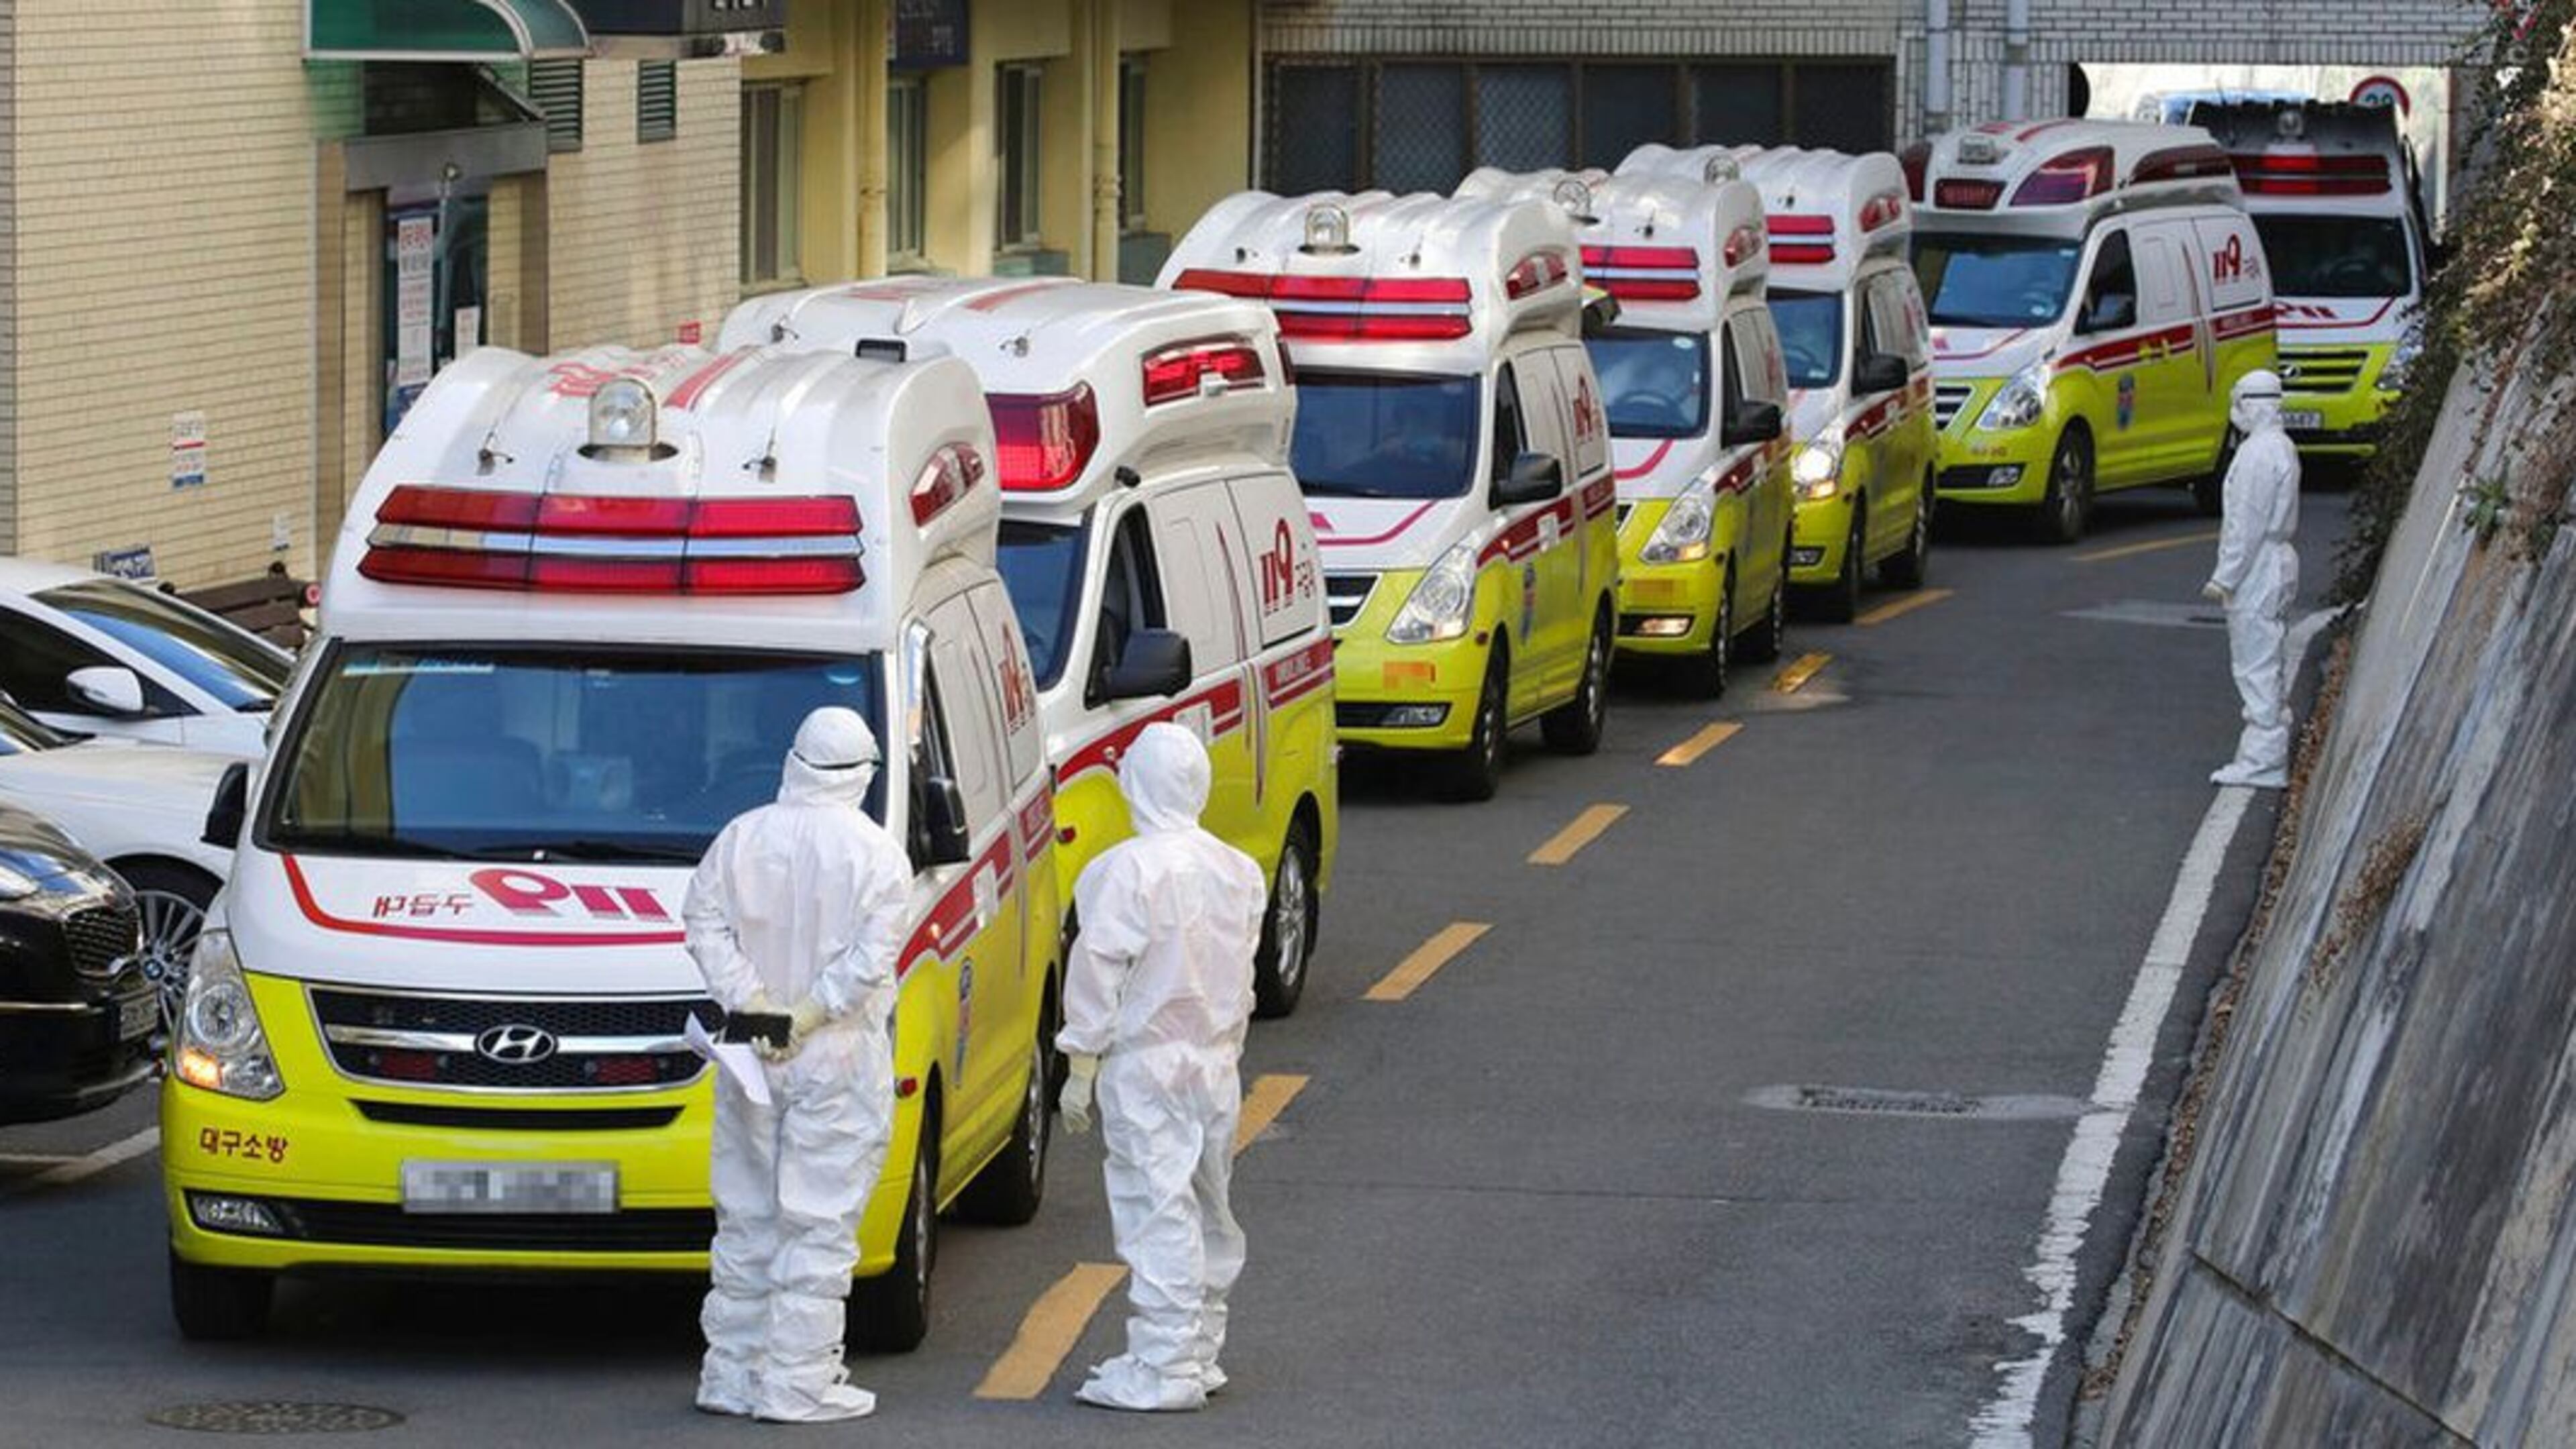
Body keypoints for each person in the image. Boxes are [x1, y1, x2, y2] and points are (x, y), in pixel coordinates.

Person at [683, 706, 911, 1423]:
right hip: (835, 1053)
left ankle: (730, 1371)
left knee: (747, 1214)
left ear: (794, 760)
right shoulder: (878, 855)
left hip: (750, 1052)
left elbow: (702, 924)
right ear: (864, 773)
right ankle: (797, 1382)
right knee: (816, 1223)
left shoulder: (741, 837)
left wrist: (752, 1000)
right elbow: (871, 961)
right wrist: (810, 1012)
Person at [1056, 722, 1267, 1411]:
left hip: (1146, 1065)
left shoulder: (1123, 870)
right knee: (1208, 1206)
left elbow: (1097, 973)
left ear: (1135, 783)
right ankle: (1200, 1349)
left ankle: (1165, 1363)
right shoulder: (1240, 871)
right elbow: (1243, 972)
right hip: (1216, 1063)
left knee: (1157, 1210)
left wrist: (1080, 1062)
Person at [2203, 368, 2301, 789]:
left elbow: (2246, 525)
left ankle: (2264, 759)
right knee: (2266, 654)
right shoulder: (2281, 447)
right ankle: (2267, 748)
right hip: (2276, 559)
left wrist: (2225, 577)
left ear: (2251, 404)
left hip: (2258, 568)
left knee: (2254, 662)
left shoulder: (2257, 454)